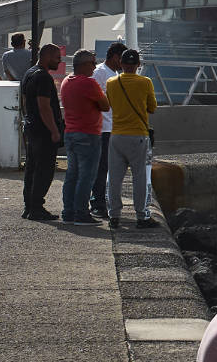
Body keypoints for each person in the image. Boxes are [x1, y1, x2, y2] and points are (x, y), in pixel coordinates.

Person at [104, 47, 159, 229]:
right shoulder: (145, 82)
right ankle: (142, 217)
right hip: (138, 136)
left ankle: (114, 216)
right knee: (140, 178)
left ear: (121, 64)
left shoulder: (111, 82)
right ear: (138, 65)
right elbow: (152, 107)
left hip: (116, 136)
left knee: (114, 178)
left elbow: (110, 103)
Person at [58, 49, 109, 225]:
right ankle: (81, 213)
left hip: (71, 133)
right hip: (88, 134)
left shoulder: (66, 81)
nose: (95, 67)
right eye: (93, 63)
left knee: (72, 175)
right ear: (84, 64)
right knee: (87, 176)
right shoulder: (89, 83)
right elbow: (105, 105)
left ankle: (68, 212)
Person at [20, 43, 63, 221]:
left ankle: (29, 206)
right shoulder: (44, 77)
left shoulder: (29, 73)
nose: (59, 61)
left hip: (31, 127)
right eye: (56, 57)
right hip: (43, 130)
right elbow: (44, 106)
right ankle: (37, 207)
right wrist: (54, 130)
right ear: (46, 56)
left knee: (31, 168)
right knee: (44, 170)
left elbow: (24, 101)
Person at [89, 41, 126, 220]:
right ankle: (97, 202)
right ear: (115, 57)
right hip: (103, 127)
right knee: (101, 167)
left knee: (108, 167)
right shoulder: (101, 72)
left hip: (111, 126)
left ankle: (102, 199)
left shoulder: (113, 73)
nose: (124, 63)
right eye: (122, 59)